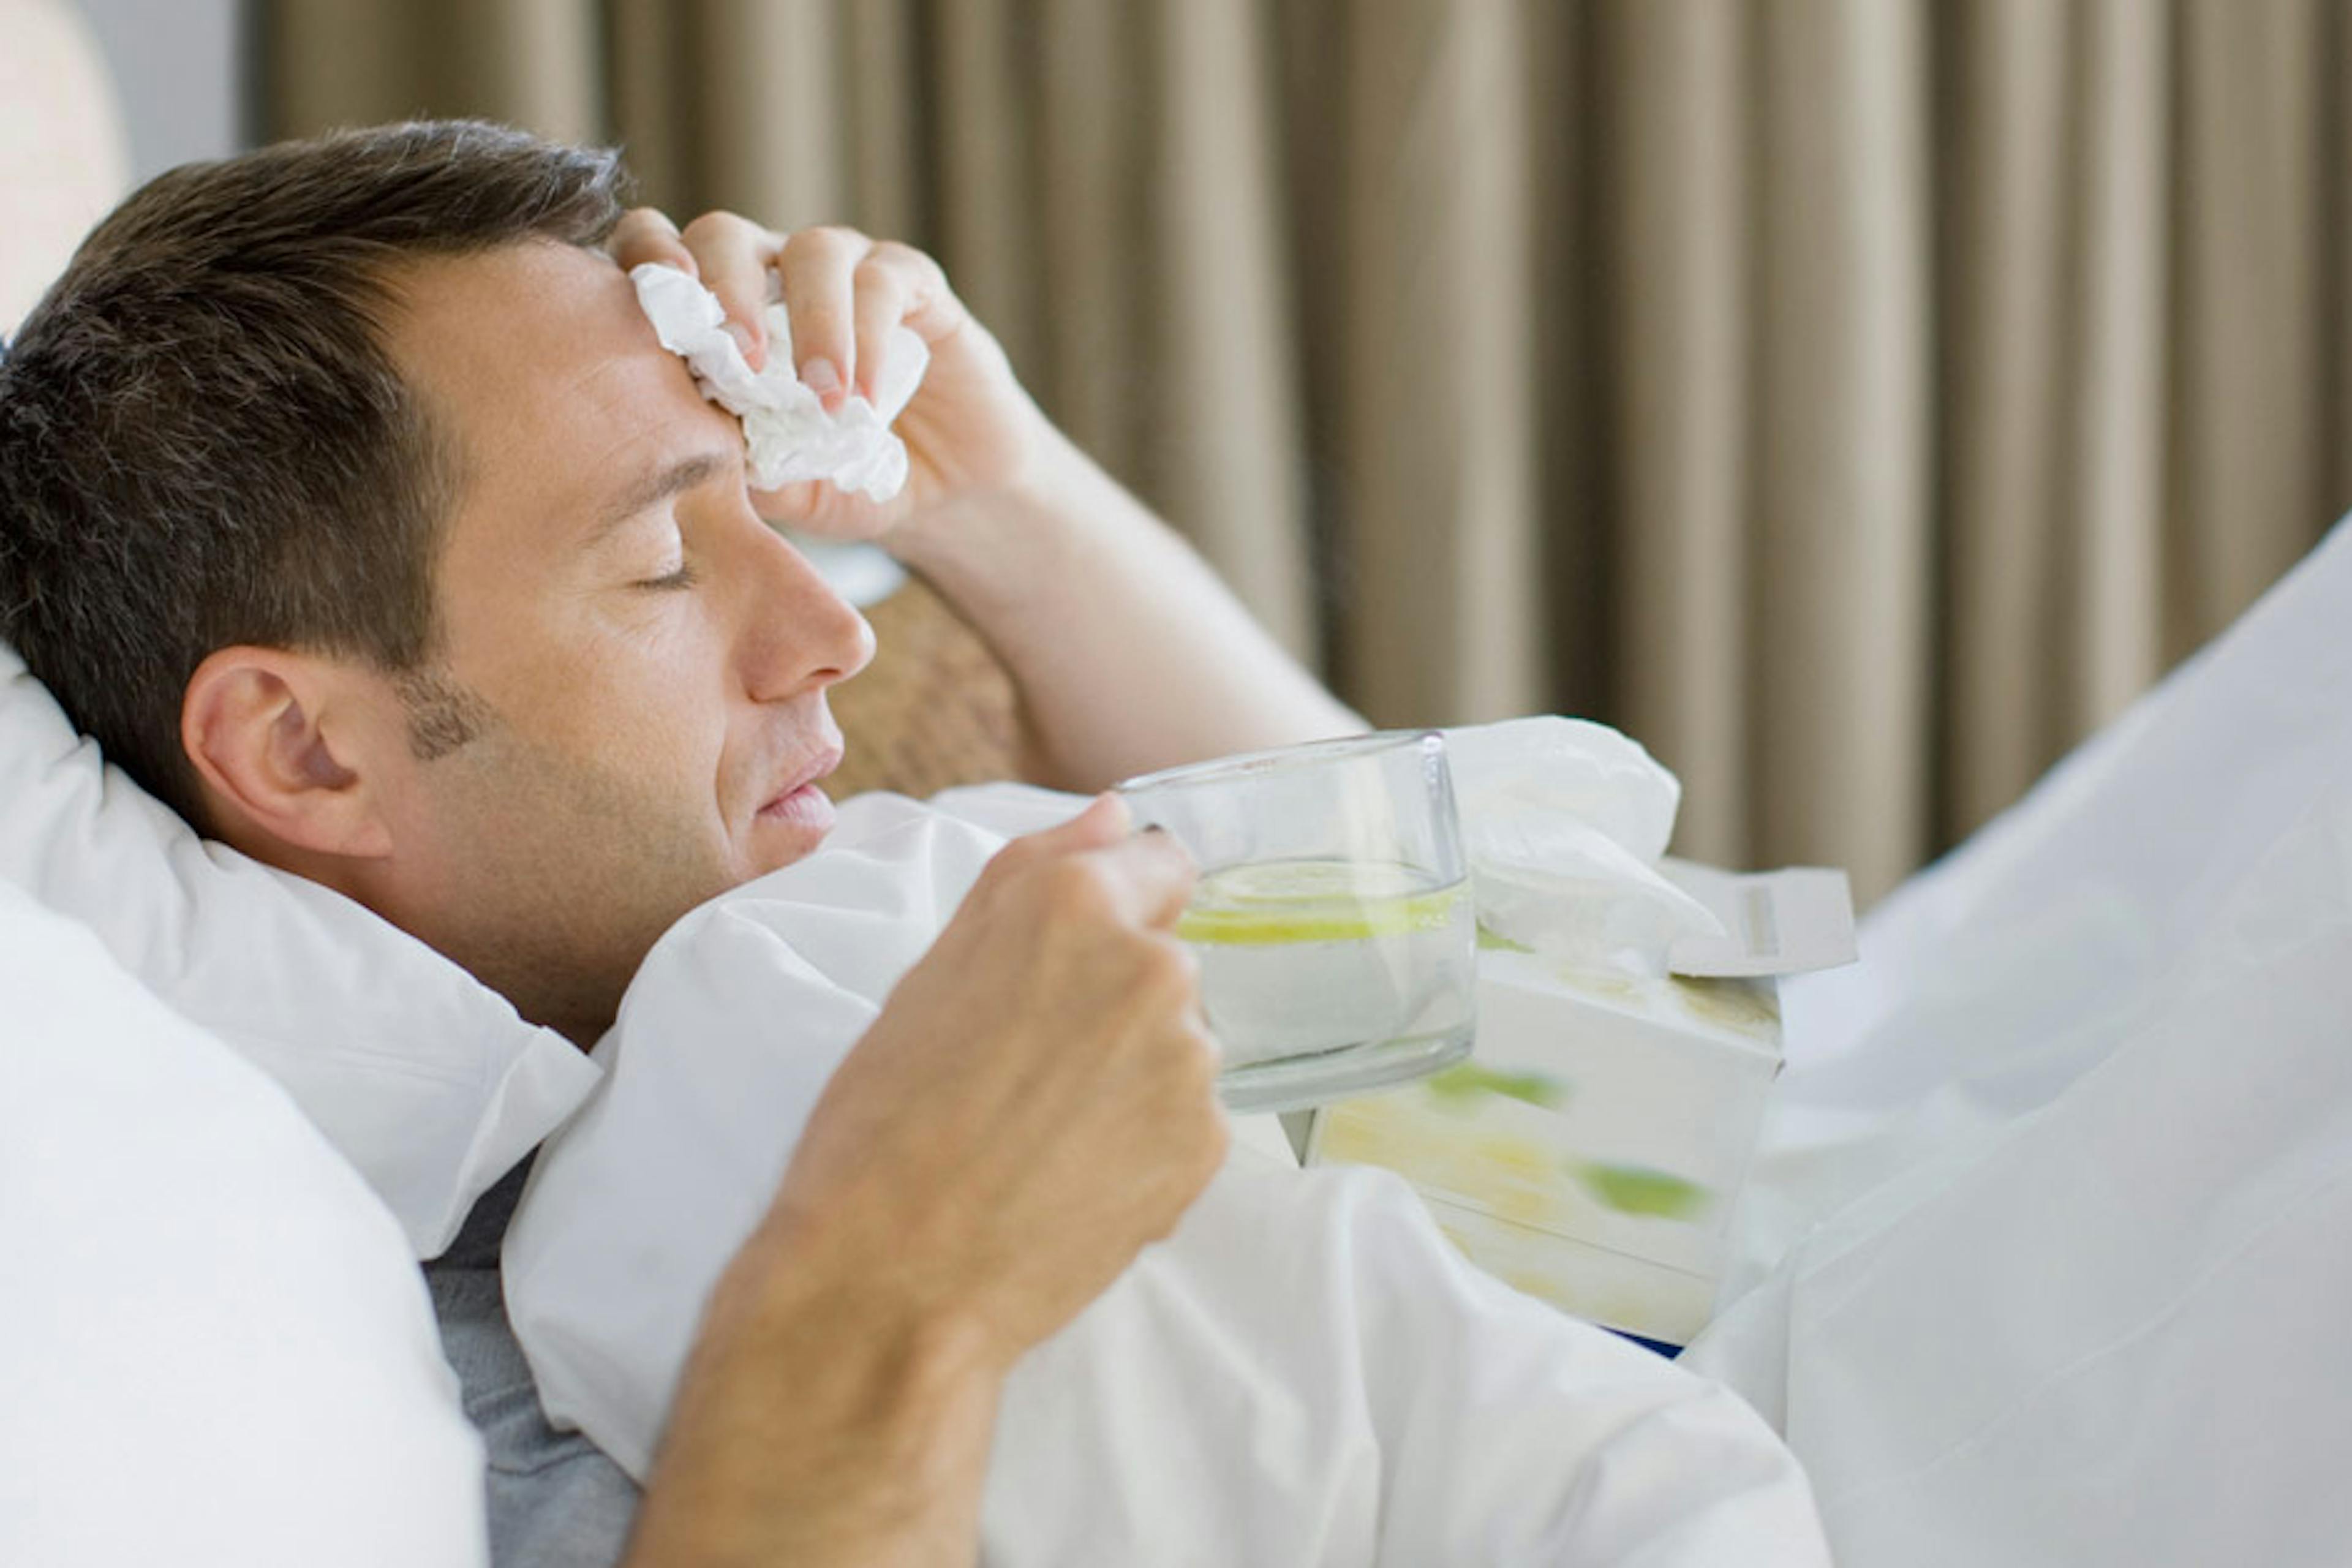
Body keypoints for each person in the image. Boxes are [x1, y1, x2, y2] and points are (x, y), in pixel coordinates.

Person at [0, 121, 1822, 1563]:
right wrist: (915, 1272)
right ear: (306, 748)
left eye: (759, 515)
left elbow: (1444, 927)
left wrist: (998, 502)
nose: (836, 636)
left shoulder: (817, 908)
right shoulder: (436, 1379)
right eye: (660, 565)